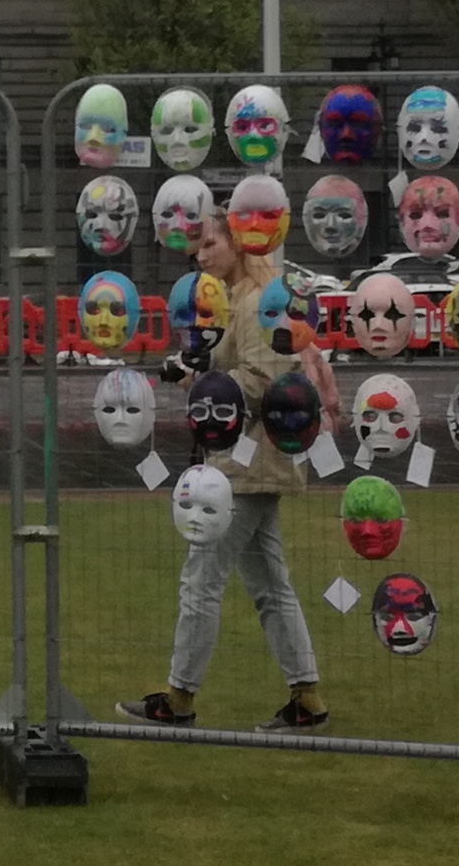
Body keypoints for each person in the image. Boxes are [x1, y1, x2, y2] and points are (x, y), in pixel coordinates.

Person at [115, 213, 339, 732]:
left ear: (240, 242)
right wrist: (194, 371)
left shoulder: (260, 302)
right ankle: (306, 696)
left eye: (210, 243)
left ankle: (180, 699)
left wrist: (206, 385)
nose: (201, 255)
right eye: (197, 247)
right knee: (268, 585)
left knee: (201, 579)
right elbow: (234, 373)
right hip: (247, 462)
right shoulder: (235, 301)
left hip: (249, 461)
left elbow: (262, 379)